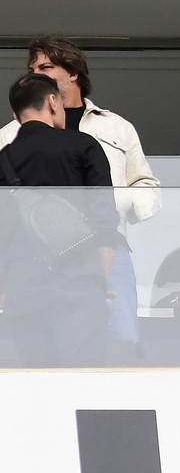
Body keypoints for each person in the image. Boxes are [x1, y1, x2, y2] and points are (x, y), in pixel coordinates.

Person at [0, 37, 160, 352]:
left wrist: (110, 204)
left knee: (120, 343)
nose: (38, 74)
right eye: (33, 68)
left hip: (106, 244)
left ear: (73, 72)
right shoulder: (9, 134)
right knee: (39, 347)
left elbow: (147, 186)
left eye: (46, 66)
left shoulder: (116, 127)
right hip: (33, 256)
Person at [0, 73, 119, 366]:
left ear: (16, 114)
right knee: (82, 381)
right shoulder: (82, 146)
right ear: (53, 102)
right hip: (77, 281)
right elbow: (104, 218)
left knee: (37, 384)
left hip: (23, 289)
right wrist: (98, 281)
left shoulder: (3, 160)